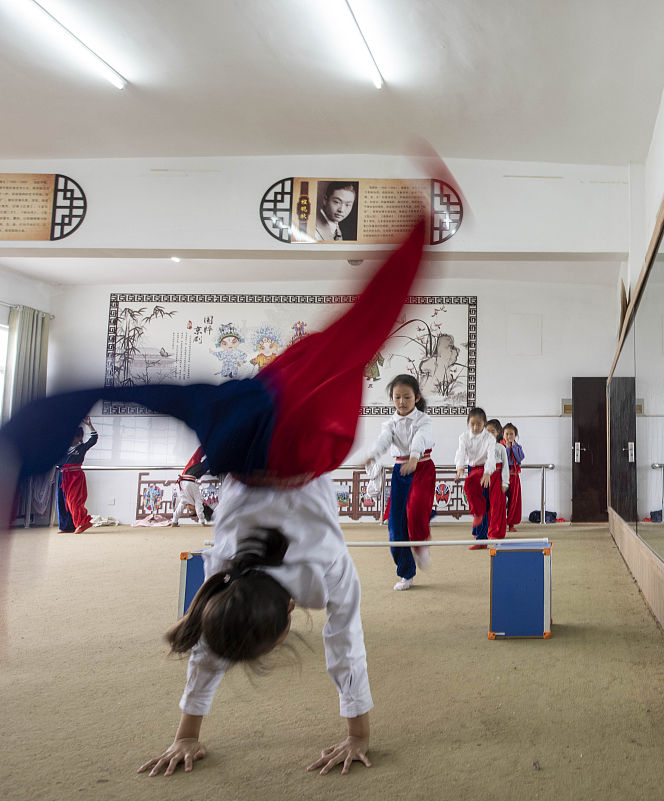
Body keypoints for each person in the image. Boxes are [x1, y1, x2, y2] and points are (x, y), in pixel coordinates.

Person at [0, 217, 430, 776]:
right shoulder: (226, 568)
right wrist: (186, 734)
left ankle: (422, 227)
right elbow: (211, 644)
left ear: (289, 615)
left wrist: (358, 735)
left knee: (363, 329)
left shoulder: (321, 576)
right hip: (243, 435)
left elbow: (343, 642)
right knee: (124, 392)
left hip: (294, 438)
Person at [364, 374, 435, 591]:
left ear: (417, 397)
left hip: (421, 467)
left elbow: (420, 438)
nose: (402, 402)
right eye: (397, 397)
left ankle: (421, 543)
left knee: (415, 511)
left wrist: (414, 456)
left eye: (407, 397)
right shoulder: (390, 423)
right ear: (392, 399)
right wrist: (374, 454)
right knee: (395, 528)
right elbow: (384, 439)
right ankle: (406, 573)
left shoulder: (424, 420)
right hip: (400, 471)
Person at [454, 407, 501, 550]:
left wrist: (487, 472)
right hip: (471, 468)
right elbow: (461, 452)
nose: (475, 427)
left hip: (485, 469)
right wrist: (459, 467)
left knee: (478, 496)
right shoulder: (464, 437)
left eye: (479, 424)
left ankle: (481, 536)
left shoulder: (489, 438)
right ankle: (480, 531)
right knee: (478, 501)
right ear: (468, 423)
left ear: (484, 424)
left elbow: (491, 456)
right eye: (472, 424)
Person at [59, 417, 98, 533]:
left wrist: (90, 425)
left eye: (74, 437)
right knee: (63, 502)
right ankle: (66, 526)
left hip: (75, 477)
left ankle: (83, 523)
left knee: (74, 501)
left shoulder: (82, 447)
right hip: (63, 477)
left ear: (80, 438)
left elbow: (94, 439)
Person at [170, 447, 211, 527]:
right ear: (195, 508)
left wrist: (174, 521)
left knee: (205, 460)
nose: (188, 508)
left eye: (188, 510)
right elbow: (199, 508)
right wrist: (202, 522)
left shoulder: (184, 500)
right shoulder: (197, 501)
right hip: (187, 476)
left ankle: (207, 445)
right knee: (203, 459)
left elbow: (178, 510)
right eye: (191, 510)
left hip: (186, 476)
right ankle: (210, 445)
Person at [484, 419, 510, 541]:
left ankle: (496, 532)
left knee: (497, 506)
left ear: (498, 432)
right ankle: (485, 530)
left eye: (492, 431)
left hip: (497, 478)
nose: (489, 433)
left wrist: (505, 482)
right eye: (487, 431)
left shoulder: (501, 448)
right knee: (485, 506)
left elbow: (505, 467)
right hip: (485, 478)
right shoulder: (481, 447)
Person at [503, 423, 525, 533]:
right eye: (507, 433)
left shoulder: (518, 447)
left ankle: (511, 524)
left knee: (514, 501)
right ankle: (500, 523)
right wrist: (507, 448)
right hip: (502, 477)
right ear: (503, 435)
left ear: (515, 435)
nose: (509, 436)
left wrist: (513, 447)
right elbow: (504, 460)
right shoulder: (500, 446)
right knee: (500, 501)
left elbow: (520, 458)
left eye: (511, 434)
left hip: (514, 477)